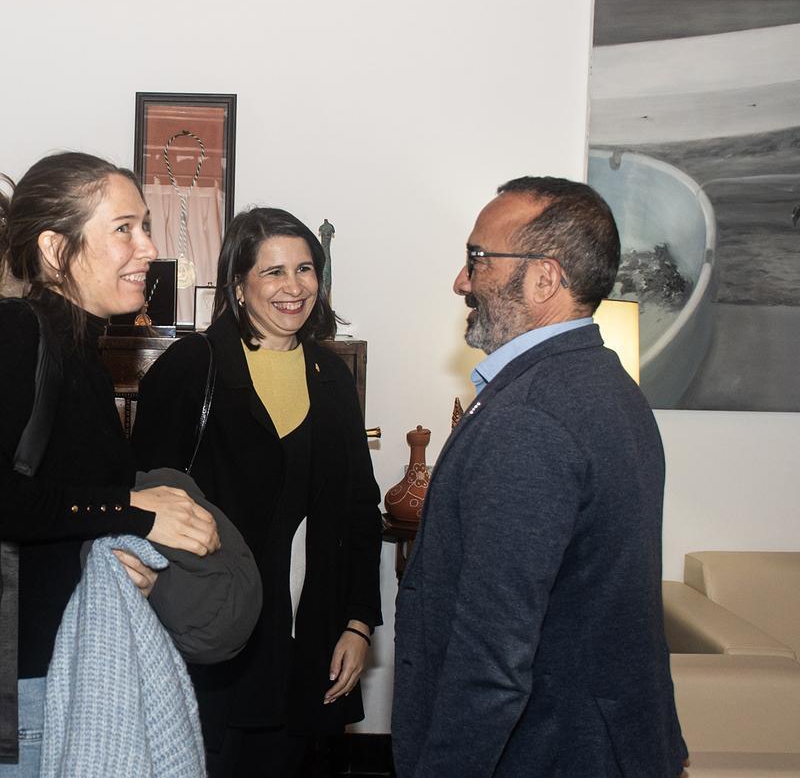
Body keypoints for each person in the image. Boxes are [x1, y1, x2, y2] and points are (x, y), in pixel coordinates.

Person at [0, 151, 221, 778]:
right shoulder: (14, 330)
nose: (147, 248)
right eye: (124, 229)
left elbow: (53, 505)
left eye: (145, 227)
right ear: (56, 249)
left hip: (42, 676)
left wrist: (115, 553)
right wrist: (131, 512)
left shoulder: (76, 347)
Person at [390, 177, 688, 777]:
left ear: (544, 278)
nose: (461, 281)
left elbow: (491, 662)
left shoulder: (532, 416)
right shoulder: (610, 387)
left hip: (551, 753)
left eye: (478, 258)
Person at [132, 206, 383, 777]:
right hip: (211, 642)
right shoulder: (192, 367)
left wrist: (359, 623)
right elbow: (143, 502)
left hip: (311, 644)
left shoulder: (332, 376)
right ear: (239, 284)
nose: (294, 288)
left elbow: (357, 513)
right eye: (273, 272)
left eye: (305, 269)